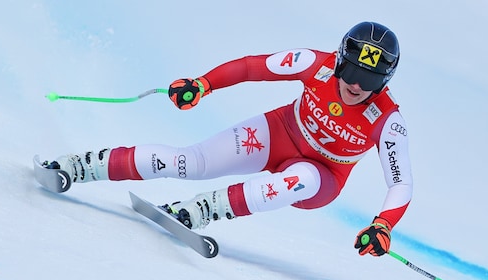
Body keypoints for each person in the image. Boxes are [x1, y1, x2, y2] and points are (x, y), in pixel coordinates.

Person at [44, 21, 413, 257]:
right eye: (349, 70)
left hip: (321, 176)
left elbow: (400, 183)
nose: (354, 84)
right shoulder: (315, 63)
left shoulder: (387, 120)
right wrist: (202, 84)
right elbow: (253, 67)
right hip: (280, 132)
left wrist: (383, 224)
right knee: (189, 162)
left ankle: (199, 211)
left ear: (385, 82)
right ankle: (78, 167)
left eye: (369, 80)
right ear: (339, 59)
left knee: (298, 179)